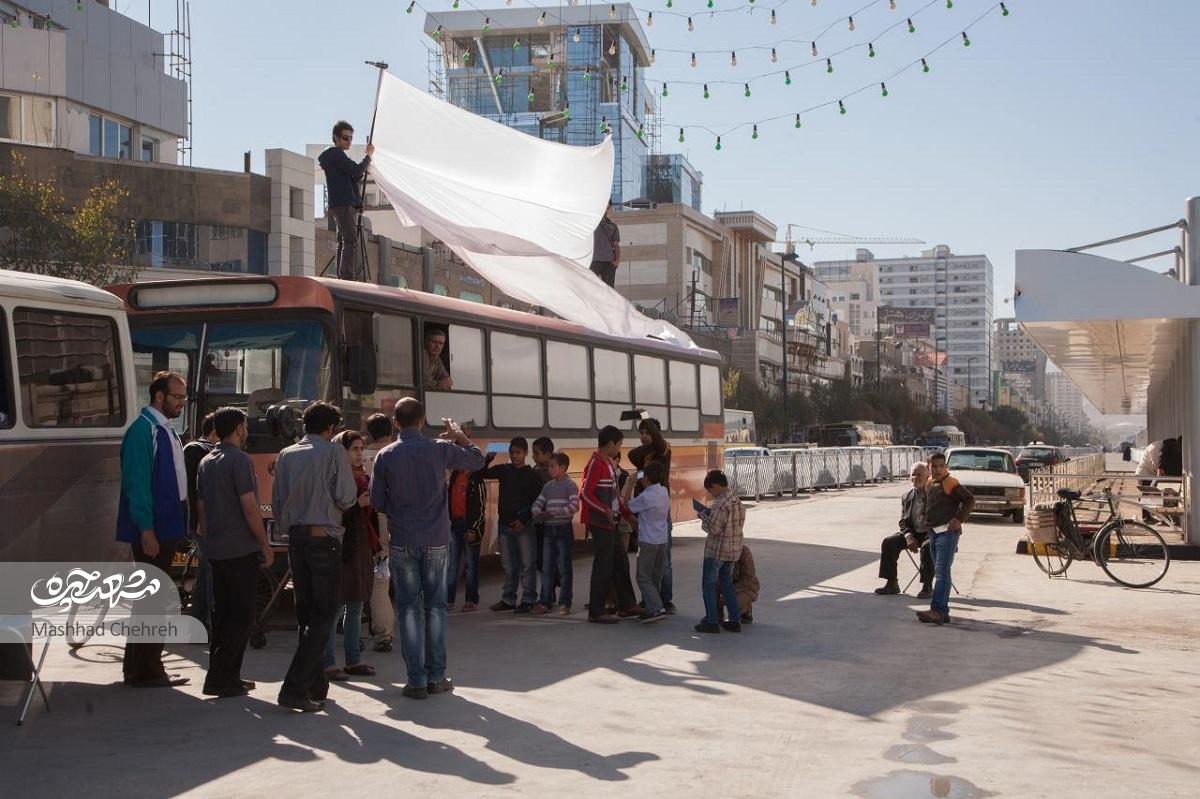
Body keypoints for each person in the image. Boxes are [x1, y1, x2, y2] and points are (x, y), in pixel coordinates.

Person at [371, 399, 484, 700]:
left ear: (395, 422)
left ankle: (416, 680)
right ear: (422, 420)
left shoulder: (385, 455)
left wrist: (399, 510)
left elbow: (377, 501)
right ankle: (436, 676)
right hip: (436, 539)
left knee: (408, 609)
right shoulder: (439, 449)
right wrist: (460, 436)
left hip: (402, 540)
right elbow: (477, 460)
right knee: (435, 608)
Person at [274, 402, 359, 713]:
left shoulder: (286, 454)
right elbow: (346, 498)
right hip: (325, 540)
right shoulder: (334, 452)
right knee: (324, 616)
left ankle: (314, 683)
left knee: (306, 615)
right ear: (330, 428)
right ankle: (294, 688)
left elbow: (278, 502)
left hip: (296, 540)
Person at [115, 370, 191, 688]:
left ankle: (138, 668)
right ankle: (147, 670)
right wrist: (146, 529)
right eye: (177, 397)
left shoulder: (165, 429)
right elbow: (137, 484)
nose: (182, 403)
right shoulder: (143, 431)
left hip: (167, 526)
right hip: (153, 530)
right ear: (159, 396)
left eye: (184, 397)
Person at [195, 407, 274, 698]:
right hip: (240, 548)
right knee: (242, 616)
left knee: (223, 615)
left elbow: (202, 506)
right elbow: (249, 505)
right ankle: (224, 679)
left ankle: (224, 676)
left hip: (216, 549)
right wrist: (264, 543)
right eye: (245, 426)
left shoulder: (206, 461)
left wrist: (209, 537)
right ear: (239, 429)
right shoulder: (240, 460)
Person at [322, 431, 378, 682]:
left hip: (360, 545)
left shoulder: (363, 477)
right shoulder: (334, 477)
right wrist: (357, 504)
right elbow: (332, 513)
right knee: (336, 606)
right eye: (354, 449)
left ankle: (353, 660)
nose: (359, 454)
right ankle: (327, 662)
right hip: (341, 546)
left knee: (356, 605)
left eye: (361, 449)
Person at [479, 437, 545, 613]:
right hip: (505, 525)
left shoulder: (533, 476)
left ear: (525, 453)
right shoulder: (505, 470)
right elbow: (481, 474)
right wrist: (487, 459)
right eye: (512, 452)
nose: (515, 456)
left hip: (524, 526)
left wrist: (522, 520)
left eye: (518, 452)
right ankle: (508, 599)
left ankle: (528, 599)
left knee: (527, 564)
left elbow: (536, 502)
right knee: (509, 565)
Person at [581, 425, 638, 624]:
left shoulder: (607, 464)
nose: (619, 448)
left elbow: (614, 497)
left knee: (620, 562)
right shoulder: (596, 463)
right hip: (600, 523)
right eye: (619, 445)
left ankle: (627, 605)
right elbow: (585, 494)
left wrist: (627, 516)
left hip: (610, 523)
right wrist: (604, 510)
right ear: (611, 444)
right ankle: (596, 611)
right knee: (603, 566)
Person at [916, 452, 975, 626]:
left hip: (947, 534)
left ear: (946, 467)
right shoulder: (929, 483)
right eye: (934, 466)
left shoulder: (950, 483)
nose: (938, 469)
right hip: (934, 533)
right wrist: (924, 515)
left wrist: (958, 519)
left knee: (941, 573)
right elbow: (928, 502)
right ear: (929, 467)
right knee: (942, 572)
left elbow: (969, 500)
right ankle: (943, 611)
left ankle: (937, 610)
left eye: (941, 466)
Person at [629, 418, 674, 614]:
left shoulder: (663, 450)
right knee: (649, 566)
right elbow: (633, 458)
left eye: (647, 432)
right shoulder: (643, 455)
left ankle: (665, 600)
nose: (644, 436)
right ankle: (650, 600)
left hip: (658, 511)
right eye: (641, 432)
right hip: (645, 508)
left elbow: (658, 442)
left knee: (664, 563)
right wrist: (635, 477)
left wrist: (646, 421)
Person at [318, 120, 374, 280]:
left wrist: (362, 168)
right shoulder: (336, 154)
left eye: (350, 138)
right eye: (345, 138)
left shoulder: (334, 157)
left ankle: (342, 275)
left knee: (344, 240)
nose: (348, 141)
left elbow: (353, 174)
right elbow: (356, 169)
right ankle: (346, 277)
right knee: (351, 240)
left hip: (341, 204)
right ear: (335, 138)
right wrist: (368, 157)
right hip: (344, 204)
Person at [695, 470, 745, 634]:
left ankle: (712, 621)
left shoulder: (720, 504)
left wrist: (703, 516)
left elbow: (714, 528)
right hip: (733, 550)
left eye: (710, 490)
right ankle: (734, 620)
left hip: (716, 551)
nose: (711, 493)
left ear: (715, 485)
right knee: (727, 584)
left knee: (708, 586)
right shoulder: (736, 500)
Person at [874, 463, 934, 598]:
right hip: (913, 532)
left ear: (927, 476)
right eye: (913, 474)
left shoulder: (934, 494)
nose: (915, 478)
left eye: (919, 475)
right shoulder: (907, 496)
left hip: (931, 533)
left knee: (927, 547)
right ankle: (892, 583)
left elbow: (940, 519)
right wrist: (908, 535)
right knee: (889, 542)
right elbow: (904, 521)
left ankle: (927, 586)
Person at [362, 413, 396, 652]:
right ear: (391, 430)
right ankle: (392, 630)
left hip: (370, 522)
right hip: (401, 521)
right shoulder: (399, 452)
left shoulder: (359, 456)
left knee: (378, 580)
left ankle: (382, 631)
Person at [531, 451, 579, 615]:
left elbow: (574, 505)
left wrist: (557, 513)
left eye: (552, 466)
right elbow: (538, 502)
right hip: (549, 530)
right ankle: (546, 600)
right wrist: (537, 512)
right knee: (547, 567)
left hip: (564, 529)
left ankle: (565, 602)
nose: (549, 469)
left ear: (563, 467)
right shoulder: (548, 486)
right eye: (549, 467)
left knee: (564, 567)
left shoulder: (570, 485)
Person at [183, 412, 218, 631]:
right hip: (202, 522)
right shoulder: (196, 450)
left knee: (206, 572)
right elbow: (194, 491)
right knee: (212, 573)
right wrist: (199, 520)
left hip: (206, 521)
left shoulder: (203, 450)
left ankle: (197, 622)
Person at [628, 461, 671, 624]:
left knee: (642, 576)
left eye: (643, 475)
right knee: (654, 577)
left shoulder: (646, 496)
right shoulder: (663, 491)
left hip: (647, 540)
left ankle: (656, 608)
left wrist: (630, 484)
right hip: (662, 540)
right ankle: (651, 606)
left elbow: (627, 506)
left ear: (646, 478)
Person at [446, 467, 486, 611]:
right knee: (452, 564)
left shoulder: (476, 479)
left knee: (471, 565)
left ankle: (471, 600)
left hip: (470, 527)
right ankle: (448, 600)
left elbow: (480, 507)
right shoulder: (455, 475)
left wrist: (473, 529)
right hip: (454, 524)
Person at [531, 436, 555, 580]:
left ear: (547, 454)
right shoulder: (535, 471)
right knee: (540, 559)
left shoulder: (554, 473)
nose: (533, 457)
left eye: (536, 453)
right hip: (539, 522)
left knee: (547, 558)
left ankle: (553, 587)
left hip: (551, 522)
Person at [717, 544, 760, 623]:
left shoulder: (744, 552)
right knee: (712, 587)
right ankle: (716, 615)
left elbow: (748, 578)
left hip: (746, 587)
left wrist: (729, 593)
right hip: (729, 583)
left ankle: (745, 611)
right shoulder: (721, 550)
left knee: (733, 600)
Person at [589, 200, 621, 287]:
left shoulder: (612, 226)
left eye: (607, 207)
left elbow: (616, 245)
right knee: (591, 287)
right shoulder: (592, 222)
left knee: (609, 289)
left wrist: (617, 260)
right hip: (593, 261)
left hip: (609, 262)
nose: (605, 209)